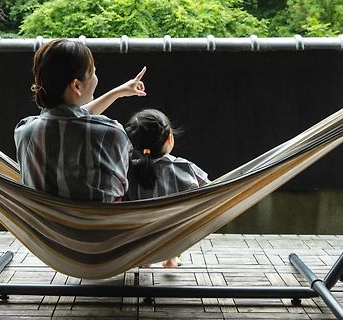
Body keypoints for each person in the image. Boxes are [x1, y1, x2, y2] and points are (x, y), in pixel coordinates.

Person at [14, 39, 146, 202]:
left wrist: (117, 92)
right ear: (77, 86)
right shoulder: (111, 133)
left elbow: (69, 117)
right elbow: (123, 185)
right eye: (93, 73)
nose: (96, 78)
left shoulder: (25, 132)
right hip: (105, 225)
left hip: (44, 226)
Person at [125, 108, 210, 267]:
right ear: (170, 139)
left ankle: (145, 260)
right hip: (174, 237)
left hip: (139, 239)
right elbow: (213, 191)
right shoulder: (184, 167)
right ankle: (171, 258)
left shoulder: (128, 171)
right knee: (182, 217)